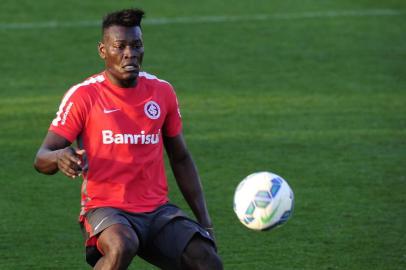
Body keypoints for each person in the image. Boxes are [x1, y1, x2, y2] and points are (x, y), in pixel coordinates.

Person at [34, 8, 223, 270]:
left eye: (136, 45)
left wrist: (205, 222)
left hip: (157, 211)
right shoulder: (84, 96)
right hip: (106, 209)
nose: (129, 54)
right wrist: (59, 157)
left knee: (206, 259)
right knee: (123, 244)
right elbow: (41, 157)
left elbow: (180, 158)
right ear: (103, 51)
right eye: (120, 46)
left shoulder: (162, 91)